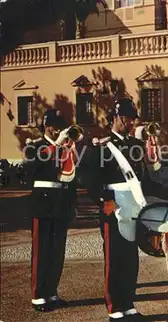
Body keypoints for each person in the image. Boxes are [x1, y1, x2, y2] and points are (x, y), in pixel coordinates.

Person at [82, 98, 160, 321]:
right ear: (115, 118)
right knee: (115, 258)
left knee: (130, 258)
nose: (129, 122)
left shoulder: (135, 146)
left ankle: (128, 304)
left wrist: (167, 191)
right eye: (125, 118)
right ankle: (115, 308)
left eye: (131, 118)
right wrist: (102, 199)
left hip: (134, 205)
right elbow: (88, 179)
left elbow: (143, 180)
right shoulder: (100, 145)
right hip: (113, 207)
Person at [24, 109, 79, 312]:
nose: (57, 129)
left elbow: (71, 180)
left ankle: (52, 291)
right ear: (45, 126)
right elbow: (32, 167)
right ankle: (39, 295)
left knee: (57, 252)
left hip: (61, 205)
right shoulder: (35, 147)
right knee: (42, 251)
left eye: (59, 125)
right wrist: (56, 145)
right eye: (53, 125)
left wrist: (73, 204)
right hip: (43, 205)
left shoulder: (65, 149)